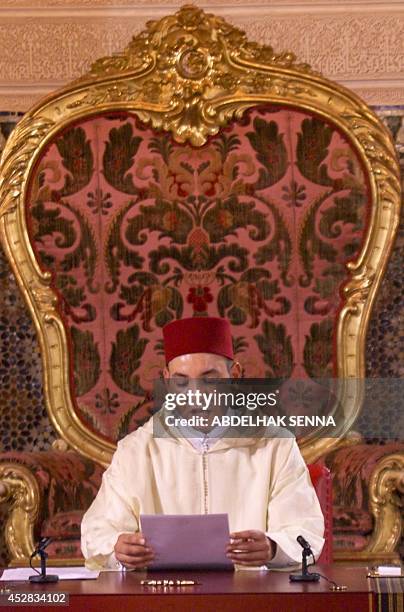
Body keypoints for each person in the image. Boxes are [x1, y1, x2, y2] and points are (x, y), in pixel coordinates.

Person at [81, 317, 324, 570]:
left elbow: (305, 532)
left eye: (210, 379)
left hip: (250, 597)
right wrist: (118, 548)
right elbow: (97, 533)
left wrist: (273, 548)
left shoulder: (275, 446)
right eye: (182, 381)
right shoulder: (136, 451)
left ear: (235, 375)